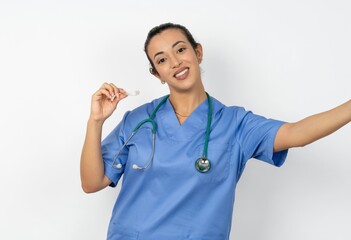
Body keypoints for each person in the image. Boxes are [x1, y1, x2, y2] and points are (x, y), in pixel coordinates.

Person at [80, 23, 351, 240]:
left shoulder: (235, 124)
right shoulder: (138, 121)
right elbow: (92, 183)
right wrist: (96, 122)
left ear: (198, 52)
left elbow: (296, 133)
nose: (175, 62)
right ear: (157, 74)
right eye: (162, 59)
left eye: (181, 50)